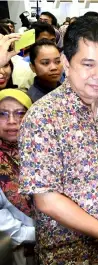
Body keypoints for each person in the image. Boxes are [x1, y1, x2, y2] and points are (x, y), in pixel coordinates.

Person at [19, 16, 98, 264]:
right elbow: (46, 198)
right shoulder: (44, 116)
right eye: (88, 64)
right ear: (66, 62)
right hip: (68, 255)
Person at [0, 89, 35, 265]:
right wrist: (34, 234)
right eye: (3, 114)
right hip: (19, 251)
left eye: (20, 113)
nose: (12, 121)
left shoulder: (45, 148)